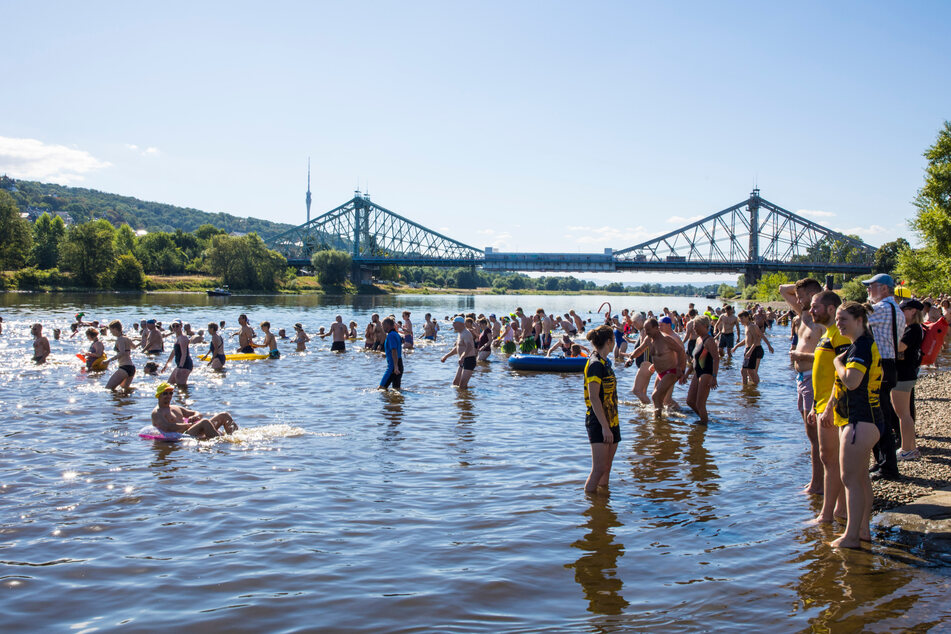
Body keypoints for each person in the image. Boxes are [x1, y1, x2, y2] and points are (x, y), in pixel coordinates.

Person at [830, 301, 883, 549]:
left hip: (859, 420)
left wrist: (837, 364)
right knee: (861, 479)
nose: (839, 324)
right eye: (838, 319)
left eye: (844, 320)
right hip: (868, 420)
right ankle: (863, 531)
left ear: (859, 320)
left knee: (850, 479)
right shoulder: (861, 344)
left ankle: (851, 537)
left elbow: (852, 381)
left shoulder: (861, 346)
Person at [807, 290, 850, 524]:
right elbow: (823, 375)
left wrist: (830, 405)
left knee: (831, 460)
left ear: (831, 309)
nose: (811, 310)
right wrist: (815, 405)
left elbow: (843, 376)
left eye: (815, 306)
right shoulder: (828, 333)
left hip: (833, 407)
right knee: (830, 460)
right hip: (822, 404)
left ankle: (827, 515)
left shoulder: (839, 336)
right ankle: (840, 510)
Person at [781, 278, 826, 496]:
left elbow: (831, 356)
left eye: (801, 296)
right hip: (800, 380)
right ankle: (816, 482)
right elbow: (782, 290)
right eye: (797, 296)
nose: (796, 300)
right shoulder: (804, 314)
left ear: (812, 296)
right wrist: (801, 288)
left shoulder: (821, 320)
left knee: (815, 436)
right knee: (810, 435)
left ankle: (818, 485)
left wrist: (800, 355)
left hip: (813, 378)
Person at [864, 273, 905, 480]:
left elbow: (854, 320)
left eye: (871, 287)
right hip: (890, 364)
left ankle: (887, 467)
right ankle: (882, 462)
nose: (868, 291)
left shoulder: (880, 309)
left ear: (885, 289)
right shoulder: (896, 309)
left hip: (880, 365)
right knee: (882, 414)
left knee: (878, 416)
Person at [583, 325, 620, 494]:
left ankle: (603, 504)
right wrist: (605, 427)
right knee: (598, 469)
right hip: (599, 422)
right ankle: (591, 508)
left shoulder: (605, 362)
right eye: (614, 340)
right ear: (609, 341)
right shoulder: (595, 364)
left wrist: (611, 425)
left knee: (607, 468)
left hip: (612, 419)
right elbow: (593, 397)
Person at [627, 318, 684, 414]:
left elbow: (680, 351)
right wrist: (631, 357)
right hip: (660, 373)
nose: (646, 332)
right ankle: (666, 418)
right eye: (645, 329)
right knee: (661, 399)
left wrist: (680, 368)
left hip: (671, 372)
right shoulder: (648, 339)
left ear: (656, 328)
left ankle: (657, 420)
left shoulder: (666, 339)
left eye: (648, 329)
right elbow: (640, 350)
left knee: (655, 396)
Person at [151, 382, 238, 440]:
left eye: (171, 393)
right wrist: (187, 425)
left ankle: (237, 437)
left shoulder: (176, 408)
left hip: (192, 428)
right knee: (205, 422)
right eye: (165, 393)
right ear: (158, 395)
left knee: (224, 415)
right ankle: (223, 442)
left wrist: (195, 416)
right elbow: (167, 427)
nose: (168, 395)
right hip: (184, 434)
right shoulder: (157, 412)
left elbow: (197, 413)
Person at [894, 299, 925, 460]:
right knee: (905, 413)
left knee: (903, 414)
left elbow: (900, 347)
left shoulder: (913, 329)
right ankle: (910, 447)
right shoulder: (913, 328)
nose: (900, 313)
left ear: (913, 311)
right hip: (907, 373)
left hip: (903, 375)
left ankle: (906, 449)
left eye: (903, 310)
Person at [685, 316, 719, 424]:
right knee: (690, 401)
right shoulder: (698, 339)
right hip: (697, 372)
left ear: (705, 326)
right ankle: (705, 420)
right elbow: (695, 360)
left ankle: (703, 425)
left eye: (696, 327)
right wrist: (686, 374)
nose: (694, 329)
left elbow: (716, 359)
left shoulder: (709, 340)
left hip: (706, 373)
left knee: (700, 404)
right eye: (693, 327)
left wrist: (714, 377)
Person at [733, 311, 773, 385]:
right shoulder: (746, 326)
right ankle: (746, 387)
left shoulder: (752, 326)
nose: (740, 320)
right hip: (749, 349)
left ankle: (755, 386)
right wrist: (736, 346)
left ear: (747, 317)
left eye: (742, 318)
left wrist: (750, 351)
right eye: (739, 319)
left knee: (750, 371)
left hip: (753, 350)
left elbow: (756, 339)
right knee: (745, 371)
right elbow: (747, 340)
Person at [441, 316, 477, 388]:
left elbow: (469, 347)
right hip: (463, 360)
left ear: (460, 324)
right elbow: (457, 348)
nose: (453, 325)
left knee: (462, 386)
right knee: (455, 383)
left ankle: (468, 398)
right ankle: (462, 398)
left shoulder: (466, 333)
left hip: (469, 360)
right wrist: (446, 356)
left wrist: (462, 357)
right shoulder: (460, 333)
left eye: (454, 323)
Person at [105, 320, 136, 390]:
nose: (111, 333)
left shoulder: (120, 339)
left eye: (111, 331)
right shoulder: (126, 338)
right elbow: (134, 347)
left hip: (124, 367)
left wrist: (109, 360)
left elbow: (122, 353)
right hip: (131, 368)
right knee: (124, 391)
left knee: (108, 388)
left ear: (115, 329)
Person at [162, 320, 194, 386]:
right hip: (179, 364)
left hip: (185, 365)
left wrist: (180, 367)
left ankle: (186, 396)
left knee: (181, 387)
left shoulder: (183, 338)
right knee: (170, 384)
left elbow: (184, 354)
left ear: (181, 326)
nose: (175, 328)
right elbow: (173, 352)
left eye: (177, 326)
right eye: (173, 326)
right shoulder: (177, 338)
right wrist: (166, 365)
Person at [380, 317, 404, 390]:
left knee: (381, 389)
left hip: (393, 367)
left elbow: (394, 351)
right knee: (396, 389)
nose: (382, 327)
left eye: (382, 325)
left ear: (387, 325)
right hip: (399, 364)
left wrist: (395, 367)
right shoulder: (396, 334)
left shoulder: (391, 335)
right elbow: (401, 343)